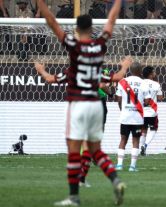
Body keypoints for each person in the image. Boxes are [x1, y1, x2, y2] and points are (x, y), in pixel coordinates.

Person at [36, 0, 126, 205]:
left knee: (74, 151)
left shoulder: (73, 45)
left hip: (78, 103)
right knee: (96, 150)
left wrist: (40, 3)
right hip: (96, 104)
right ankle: (116, 180)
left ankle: (74, 197)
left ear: (76, 29)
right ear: (92, 28)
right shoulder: (100, 44)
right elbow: (111, 20)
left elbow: (52, 22)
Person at [115, 62, 151, 172]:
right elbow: (148, 100)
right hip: (138, 118)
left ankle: (120, 165)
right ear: (140, 71)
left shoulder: (122, 81)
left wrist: (123, 109)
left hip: (125, 116)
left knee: (123, 140)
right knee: (136, 141)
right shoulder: (143, 83)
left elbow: (118, 99)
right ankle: (132, 166)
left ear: (130, 70)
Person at [139, 66, 163, 156]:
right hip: (152, 112)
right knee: (153, 129)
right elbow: (160, 98)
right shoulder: (156, 84)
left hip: (141, 112)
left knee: (143, 130)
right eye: (154, 72)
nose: (155, 73)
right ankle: (145, 146)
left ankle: (141, 148)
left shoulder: (140, 83)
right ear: (150, 74)